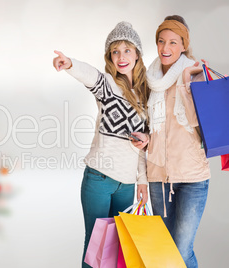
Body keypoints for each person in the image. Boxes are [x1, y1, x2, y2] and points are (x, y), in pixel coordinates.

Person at [53, 21, 150, 268]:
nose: (121, 56)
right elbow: (89, 74)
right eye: (115, 51)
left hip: (127, 185)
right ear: (109, 57)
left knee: (120, 251)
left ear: (137, 54)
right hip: (99, 178)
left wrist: (142, 180)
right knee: (96, 249)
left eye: (127, 50)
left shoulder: (146, 94)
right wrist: (70, 64)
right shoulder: (107, 85)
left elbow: (143, 146)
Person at [131, 15, 210, 268]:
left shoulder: (195, 73)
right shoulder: (150, 79)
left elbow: (198, 123)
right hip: (158, 176)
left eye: (173, 43)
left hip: (192, 177)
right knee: (165, 252)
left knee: (181, 249)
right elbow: (145, 122)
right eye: (161, 41)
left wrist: (188, 82)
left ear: (184, 45)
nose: (166, 48)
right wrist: (145, 138)